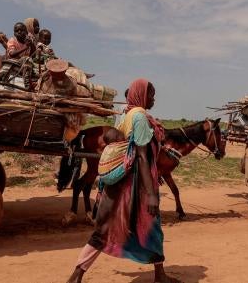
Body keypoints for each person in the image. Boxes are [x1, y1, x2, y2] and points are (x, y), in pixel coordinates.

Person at [67, 79, 178, 283]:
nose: (153, 99)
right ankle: (77, 274)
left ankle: (79, 273)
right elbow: (142, 157)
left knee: (116, 229)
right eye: (151, 95)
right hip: (134, 186)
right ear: (142, 95)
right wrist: (152, 194)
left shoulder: (126, 115)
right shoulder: (140, 119)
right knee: (142, 228)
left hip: (121, 182)